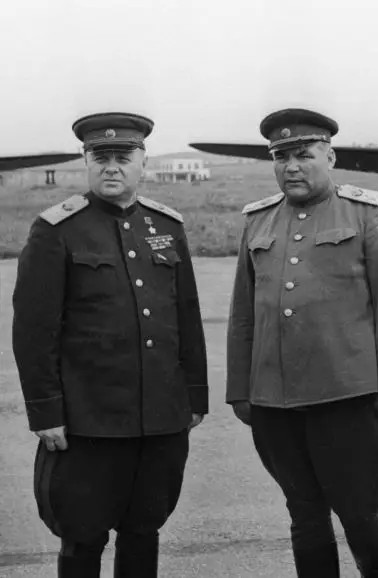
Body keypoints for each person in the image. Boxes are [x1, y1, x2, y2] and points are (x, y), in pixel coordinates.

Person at [12, 112, 208, 578]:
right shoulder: (56, 230)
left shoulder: (166, 226)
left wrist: (194, 397)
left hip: (159, 418)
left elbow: (186, 316)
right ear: (87, 162)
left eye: (123, 157)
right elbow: (34, 331)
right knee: (82, 535)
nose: (112, 167)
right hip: (88, 421)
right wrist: (45, 412)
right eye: (101, 158)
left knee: (144, 529)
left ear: (143, 162)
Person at [226, 108, 378, 577]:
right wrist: (240, 390)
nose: (292, 166)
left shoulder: (367, 212)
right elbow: (243, 314)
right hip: (275, 402)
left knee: (360, 512)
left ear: (329, 157)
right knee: (304, 515)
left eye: (304, 155)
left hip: (347, 397)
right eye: (282, 157)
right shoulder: (259, 220)